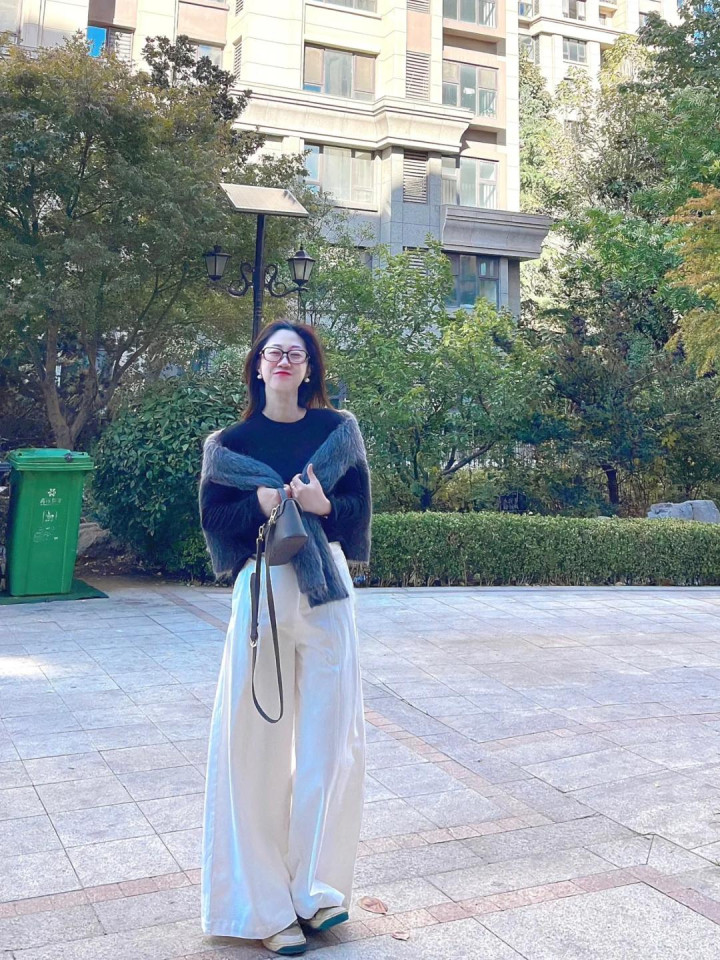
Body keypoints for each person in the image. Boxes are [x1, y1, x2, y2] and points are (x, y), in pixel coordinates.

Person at [198, 320, 371, 956]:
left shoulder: (338, 433)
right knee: (253, 747)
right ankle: (262, 907)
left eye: (295, 354)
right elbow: (213, 518)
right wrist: (261, 502)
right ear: (257, 365)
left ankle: (316, 892)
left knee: (332, 746)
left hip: (327, 593)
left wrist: (323, 506)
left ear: (309, 369)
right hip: (262, 591)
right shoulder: (228, 445)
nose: (283, 361)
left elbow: (358, 513)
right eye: (274, 352)